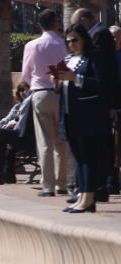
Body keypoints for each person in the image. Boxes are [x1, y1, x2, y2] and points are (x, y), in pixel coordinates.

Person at [54, 23, 110, 213]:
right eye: (68, 41)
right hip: (70, 115)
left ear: (84, 39)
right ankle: (83, 197)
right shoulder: (69, 59)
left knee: (88, 158)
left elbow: (101, 84)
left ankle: (89, 198)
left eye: (75, 40)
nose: (72, 44)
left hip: (88, 116)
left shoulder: (93, 58)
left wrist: (75, 79)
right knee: (79, 157)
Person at [21, 9, 70, 196]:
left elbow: (26, 74)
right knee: (61, 141)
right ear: (56, 23)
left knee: (45, 142)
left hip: (40, 92)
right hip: (61, 93)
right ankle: (62, 183)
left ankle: (48, 186)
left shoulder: (32, 46)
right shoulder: (63, 44)